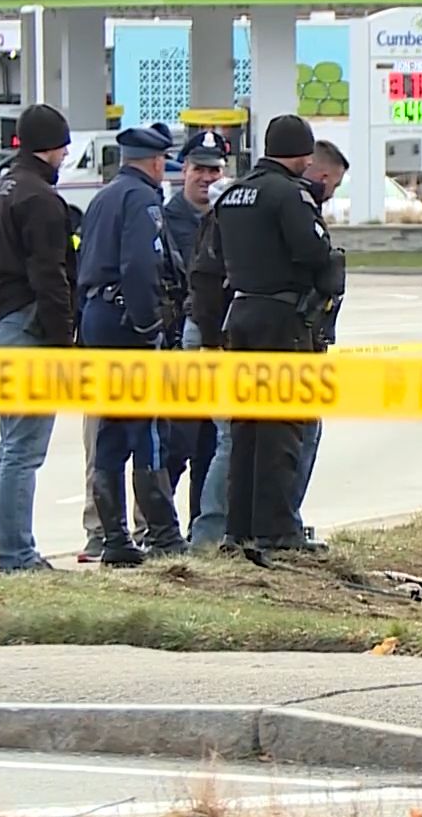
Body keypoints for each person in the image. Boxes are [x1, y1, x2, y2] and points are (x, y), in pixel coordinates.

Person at [189, 114, 335, 566]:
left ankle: (240, 527)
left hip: (241, 317)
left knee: (246, 426)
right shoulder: (288, 195)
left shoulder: (232, 195)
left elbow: (211, 260)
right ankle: (276, 530)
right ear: (303, 154)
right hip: (281, 320)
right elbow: (314, 253)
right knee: (282, 425)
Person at [76, 122, 188, 566]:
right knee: (147, 429)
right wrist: (148, 326)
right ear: (156, 162)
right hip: (127, 323)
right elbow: (141, 266)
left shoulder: (103, 197)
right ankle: (162, 532)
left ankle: (115, 538)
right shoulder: (142, 199)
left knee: (110, 428)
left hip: (98, 320)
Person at [0, 103, 75, 574]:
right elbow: (50, 276)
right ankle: (17, 556)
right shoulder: (41, 200)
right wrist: (63, 341)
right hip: (29, 326)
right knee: (24, 448)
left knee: (10, 443)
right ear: (53, 147)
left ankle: (14, 550)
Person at [164, 129, 228, 536]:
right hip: (177, 344)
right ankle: (157, 528)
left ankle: (199, 529)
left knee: (209, 444)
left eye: (214, 170)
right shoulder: (165, 219)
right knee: (175, 444)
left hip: (215, 342)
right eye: (199, 169)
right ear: (183, 170)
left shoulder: (225, 219)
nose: (206, 178)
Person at [290, 139, 350, 540]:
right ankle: (281, 522)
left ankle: (282, 520)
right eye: (335, 185)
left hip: (299, 335)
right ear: (322, 175)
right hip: (291, 337)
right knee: (298, 434)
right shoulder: (294, 207)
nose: (332, 193)